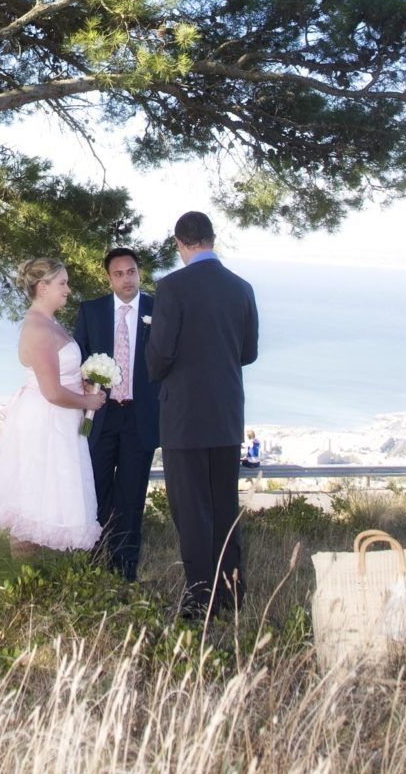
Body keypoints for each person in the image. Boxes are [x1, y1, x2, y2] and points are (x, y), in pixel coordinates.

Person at [145, 211, 259, 620]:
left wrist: (156, 369)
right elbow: (249, 352)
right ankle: (232, 592)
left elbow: (159, 356)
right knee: (224, 505)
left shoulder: (171, 288)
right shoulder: (242, 288)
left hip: (185, 417)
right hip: (226, 414)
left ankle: (199, 598)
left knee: (191, 509)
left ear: (180, 244)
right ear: (212, 239)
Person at [0, 257, 106, 553]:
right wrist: (87, 400)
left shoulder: (49, 322)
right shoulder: (38, 329)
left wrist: (83, 382)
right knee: (35, 501)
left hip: (59, 422)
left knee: (51, 500)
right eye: (62, 283)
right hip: (46, 423)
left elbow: (61, 376)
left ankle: (43, 582)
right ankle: (27, 584)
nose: (68, 289)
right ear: (43, 287)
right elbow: (51, 391)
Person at [73, 246, 160, 580]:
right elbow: (78, 361)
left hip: (140, 417)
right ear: (108, 278)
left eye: (131, 272)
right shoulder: (91, 311)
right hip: (101, 416)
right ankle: (94, 565)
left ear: (139, 273)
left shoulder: (158, 309)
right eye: (119, 274)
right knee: (94, 491)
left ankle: (125, 570)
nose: (126, 279)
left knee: (131, 496)